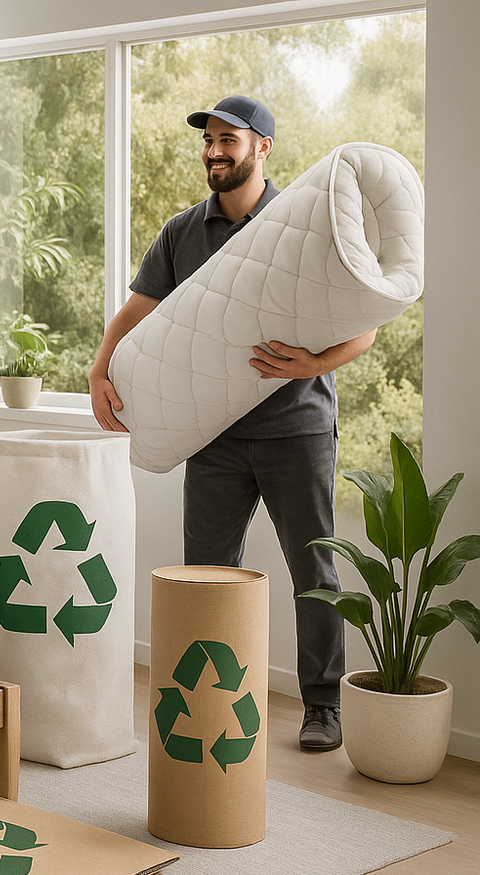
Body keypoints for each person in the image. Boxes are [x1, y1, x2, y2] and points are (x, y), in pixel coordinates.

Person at [89, 96, 377, 753]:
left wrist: (313, 364)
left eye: (229, 139)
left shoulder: (303, 221)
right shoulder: (182, 232)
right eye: (209, 140)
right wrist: (101, 369)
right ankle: (210, 699)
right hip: (213, 434)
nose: (214, 151)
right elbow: (136, 311)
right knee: (206, 573)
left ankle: (323, 706)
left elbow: (365, 325)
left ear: (263, 147)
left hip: (297, 429)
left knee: (315, 573)